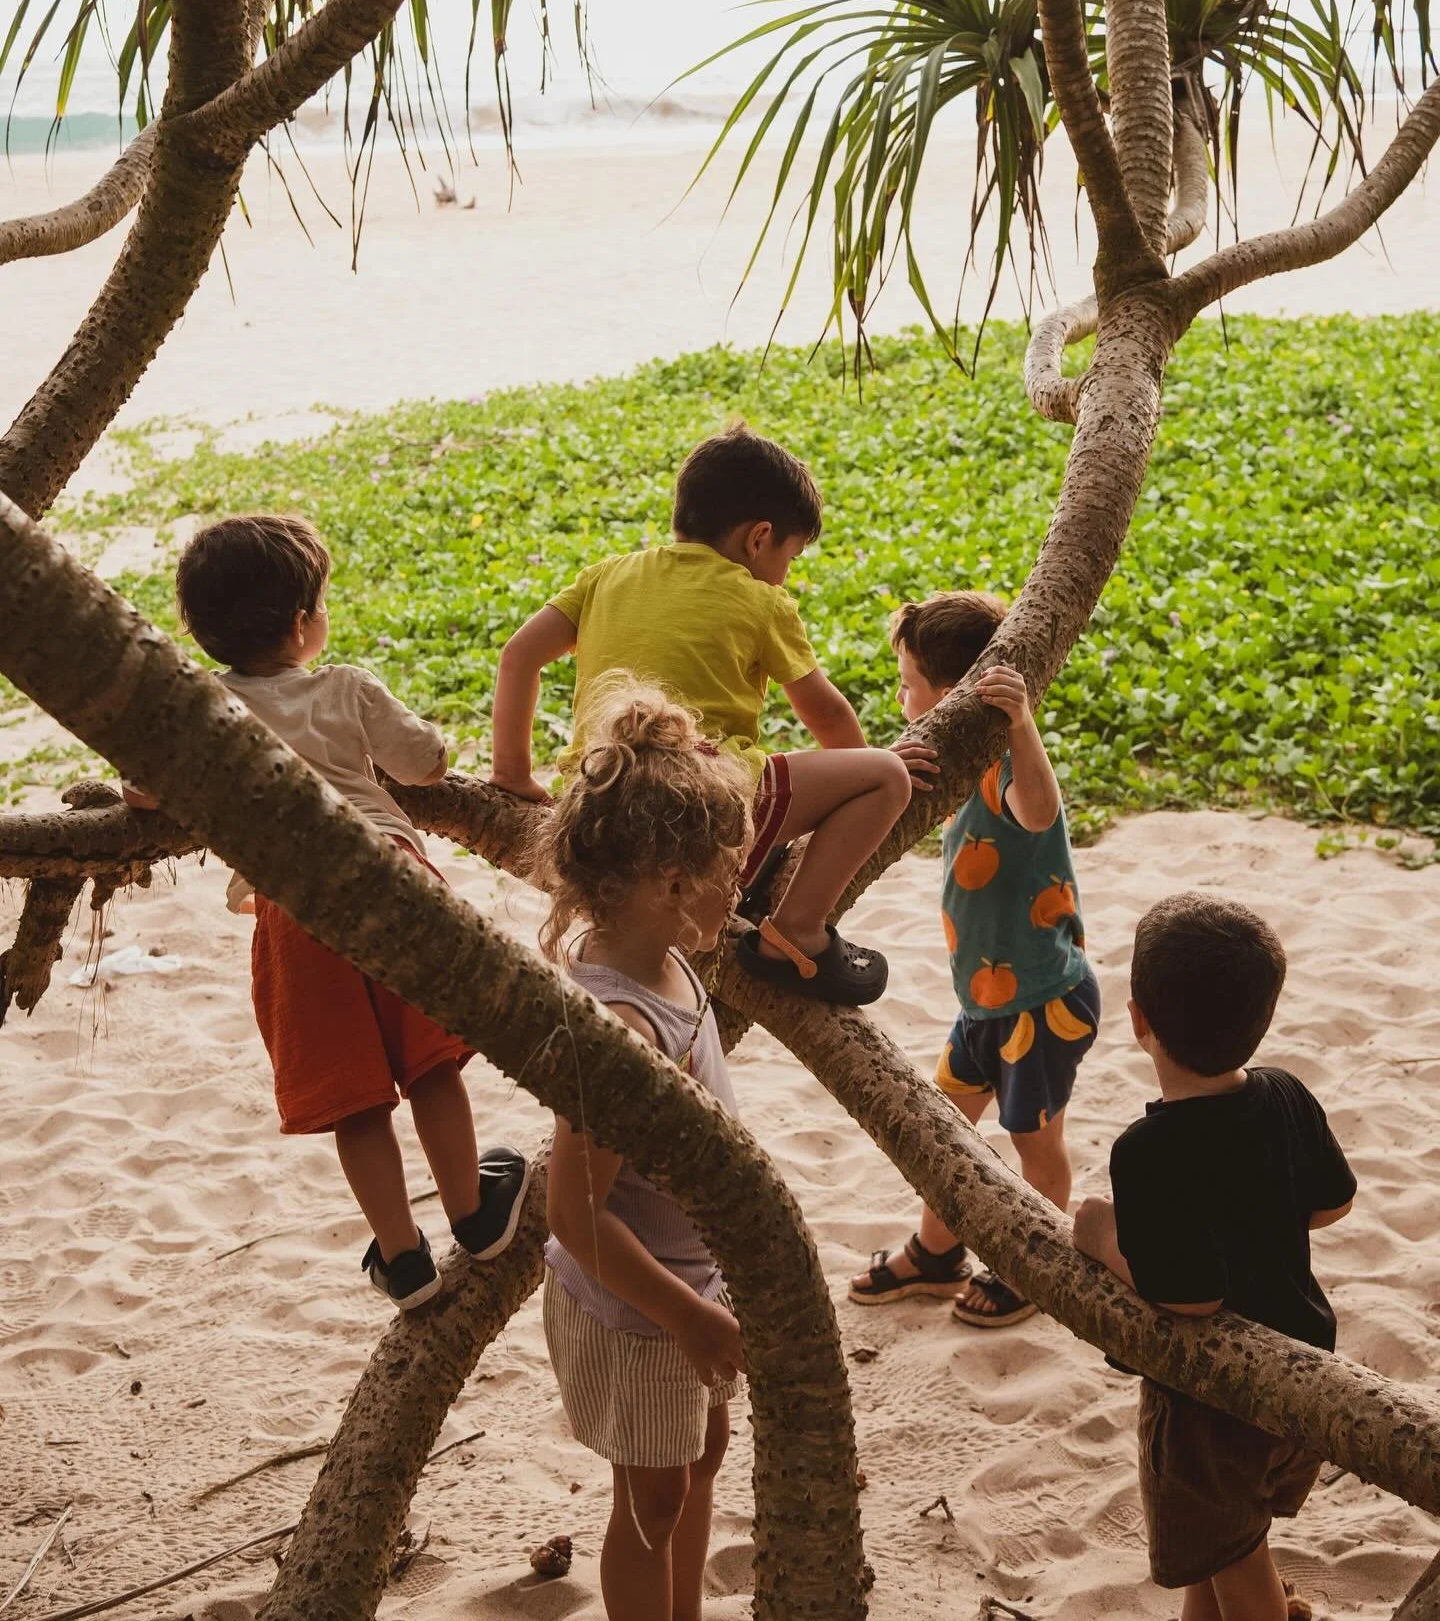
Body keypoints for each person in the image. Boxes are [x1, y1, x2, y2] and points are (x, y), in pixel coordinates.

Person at [125, 515, 529, 1310]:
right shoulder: (345, 687)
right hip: (391, 876)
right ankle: (473, 1216)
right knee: (430, 1063)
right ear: (305, 625)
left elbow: (145, 788)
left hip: (294, 905)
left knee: (356, 1094)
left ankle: (403, 1259)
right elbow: (425, 762)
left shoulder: (205, 708)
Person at [491, 423, 932, 1008]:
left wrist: (514, 776)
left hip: (596, 803)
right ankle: (795, 930)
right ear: (760, 538)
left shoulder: (606, 576)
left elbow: (518, 656)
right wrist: (867, 758)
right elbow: (824, 711)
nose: (787, 573)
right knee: (885, 778)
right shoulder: (760, 600)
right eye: (791, 557)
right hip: (699, 807)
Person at [1073, 893, 1356, 1621]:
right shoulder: (1287, 1094)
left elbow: (1188, 1296)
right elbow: (1332, 1204)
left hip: (1212, 1406)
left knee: (1233, 1552)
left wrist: (1102, 1238)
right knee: (1220, 1539)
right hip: (1304, 1370)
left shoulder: (1150, 1150)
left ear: (1138, 1021)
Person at [534, 682, 752, 1621]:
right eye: (727, 866)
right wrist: (687, 1318)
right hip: (640, 1305)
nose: (738, 881)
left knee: (700, 1460)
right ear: (669, 883)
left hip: (687, 1279)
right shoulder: (619, 1021)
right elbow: (574, 1214)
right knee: (649, 1499)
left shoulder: (662, 958)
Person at [849, 590, 1100, 1327]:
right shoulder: (956, 761)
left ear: (952, 694)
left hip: (1043, 1002)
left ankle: (1033, 1265)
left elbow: (1039, 813)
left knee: (1035, 1143)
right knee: (945, 1133)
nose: (901, 695)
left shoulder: (1002, 762)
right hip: (984, 1004)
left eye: (908, 682)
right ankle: (935, 1253)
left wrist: (1021, 724)